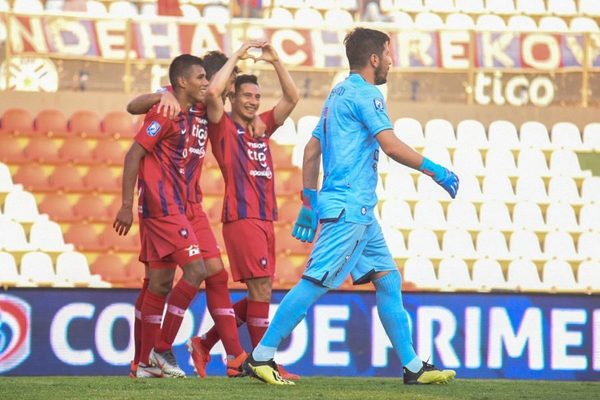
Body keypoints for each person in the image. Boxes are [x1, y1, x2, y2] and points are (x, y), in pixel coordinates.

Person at [242, 28, 459, 385]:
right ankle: (261, 356)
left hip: (354, 210)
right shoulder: (366, 94)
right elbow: (388, 144)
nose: (392, 61)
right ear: (374, 59)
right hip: (349, 209)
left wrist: (310, 203)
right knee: (315, 281)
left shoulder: (336, 94)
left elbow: (312, 151)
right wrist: (435, 170)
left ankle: (413, 365)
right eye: (388, 54)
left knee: (388, 280)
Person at [124, 44, 266, 379]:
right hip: (163, 204)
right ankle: (155, 352)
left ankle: (223, 355)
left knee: (187, 276)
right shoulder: (171, 106)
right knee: (168, 279)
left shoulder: (205, 108)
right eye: (223, 86)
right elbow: (133, 115)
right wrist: (161, 93)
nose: (222, 93)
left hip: (191, 205)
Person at [186, 42, 301, 380]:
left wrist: (277, 60)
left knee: (260, 292)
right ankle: (261, 361)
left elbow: (292, 99)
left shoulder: (262, 124)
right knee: (261, 290)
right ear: (233, 97)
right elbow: (213, 94)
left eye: (256, 97)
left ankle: (206, 343)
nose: (253, 101)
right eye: (246, 96)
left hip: (265, 218)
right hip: (242, 217)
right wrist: (236, 55)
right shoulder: (222, 126)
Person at [114, 54, 211, 378]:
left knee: (159, 284)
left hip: (171, 207)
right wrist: (126, 205)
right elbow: (133, 154)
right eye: (200, 77)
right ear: (182, 82)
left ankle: (142, 364)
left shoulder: (190, 110)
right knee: (196, 270)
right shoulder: (164, 112)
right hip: (162, 208)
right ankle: (161, 347)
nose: (205, 83)